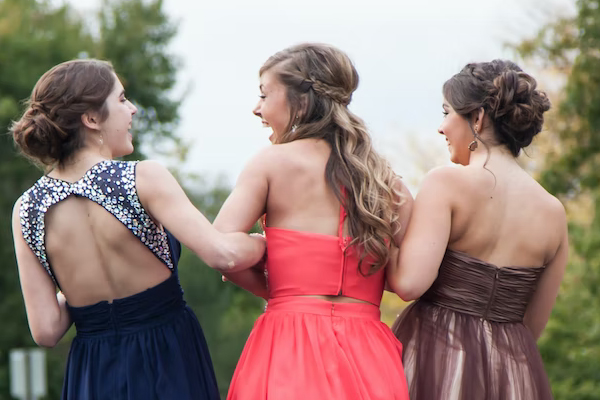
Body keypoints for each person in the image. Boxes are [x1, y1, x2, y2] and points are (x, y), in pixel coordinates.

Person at [10, 59, 265, 400]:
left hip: (93, 371)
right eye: (121, 99)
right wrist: (265, 243)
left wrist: (82, 287)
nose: (132, 109)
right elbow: (223, 255)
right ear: (91, 118)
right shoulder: (141, 178)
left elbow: (46, 331)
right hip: (167, 358)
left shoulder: (26, 209)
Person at [212, 43, 412, 400]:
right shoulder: (387, 182)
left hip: (288, 344)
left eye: (264, 94)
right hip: (369, 352)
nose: (256, 108)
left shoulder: (270, 164)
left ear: (301, 102)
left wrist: (265, 254)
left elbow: (219, 249)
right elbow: (404, 274)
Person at [388, 60, 567, 400]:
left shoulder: (446, 182)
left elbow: (409, 283)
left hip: (436, 357)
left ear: (478, 118)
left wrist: (394, 222)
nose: (441, 128)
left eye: (446, 113)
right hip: (512, 373)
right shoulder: (554, 212)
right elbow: (532, 326)